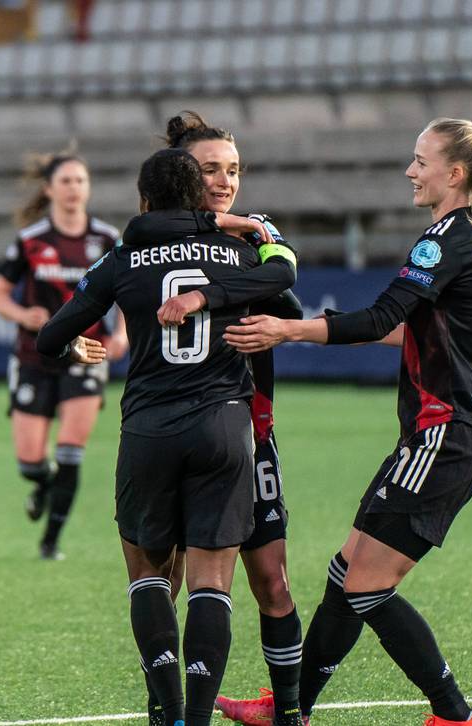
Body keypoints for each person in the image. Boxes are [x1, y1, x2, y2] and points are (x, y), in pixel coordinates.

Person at [217, 117, 472, 726]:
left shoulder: (443, 240)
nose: (411, 171)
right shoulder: (470, 236)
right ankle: (291, 708)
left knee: (366, 587)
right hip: (440, 434)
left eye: (421, 161)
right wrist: (331, 331)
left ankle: (455, 716)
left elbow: (383, 318)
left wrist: (288, 329)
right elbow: (413, 331)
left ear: (453, 174)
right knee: (345, 571)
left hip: (445, 434)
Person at [35, 148, 297, 726]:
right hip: (226, 427)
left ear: (144, 200)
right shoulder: (236, 251)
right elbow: (286, 282)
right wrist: (253, 234)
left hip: (150, 428)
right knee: (211, 581)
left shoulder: (122, 258)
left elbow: (50, 337)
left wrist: (78, 346)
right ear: (198, 196)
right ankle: (199, 718)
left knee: (150, 574)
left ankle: (169, 711)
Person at [121, 112, 306, 726]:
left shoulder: (254, 238)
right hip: (174, 428)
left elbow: (289, 300)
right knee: (164, 576)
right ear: (180, 176)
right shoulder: (146, 245)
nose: (225, 181)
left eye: (233, 169)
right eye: (210, 170)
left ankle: (288, 713)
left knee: (271, 580)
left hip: (247, 430)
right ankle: (168, 708)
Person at [0, 151, 127, 560]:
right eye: (65, 181)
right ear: (49, 189)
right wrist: (22, 313)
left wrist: (122, 336)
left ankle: (51, 542)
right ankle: (42, 486)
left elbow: (131, 295)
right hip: (34, 357)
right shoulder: (31, 241)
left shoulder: (107, 240)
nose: (73, 189)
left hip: (86, 354)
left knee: (69, 449)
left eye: (80, 181)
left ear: (88, 188)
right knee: (31, 462)